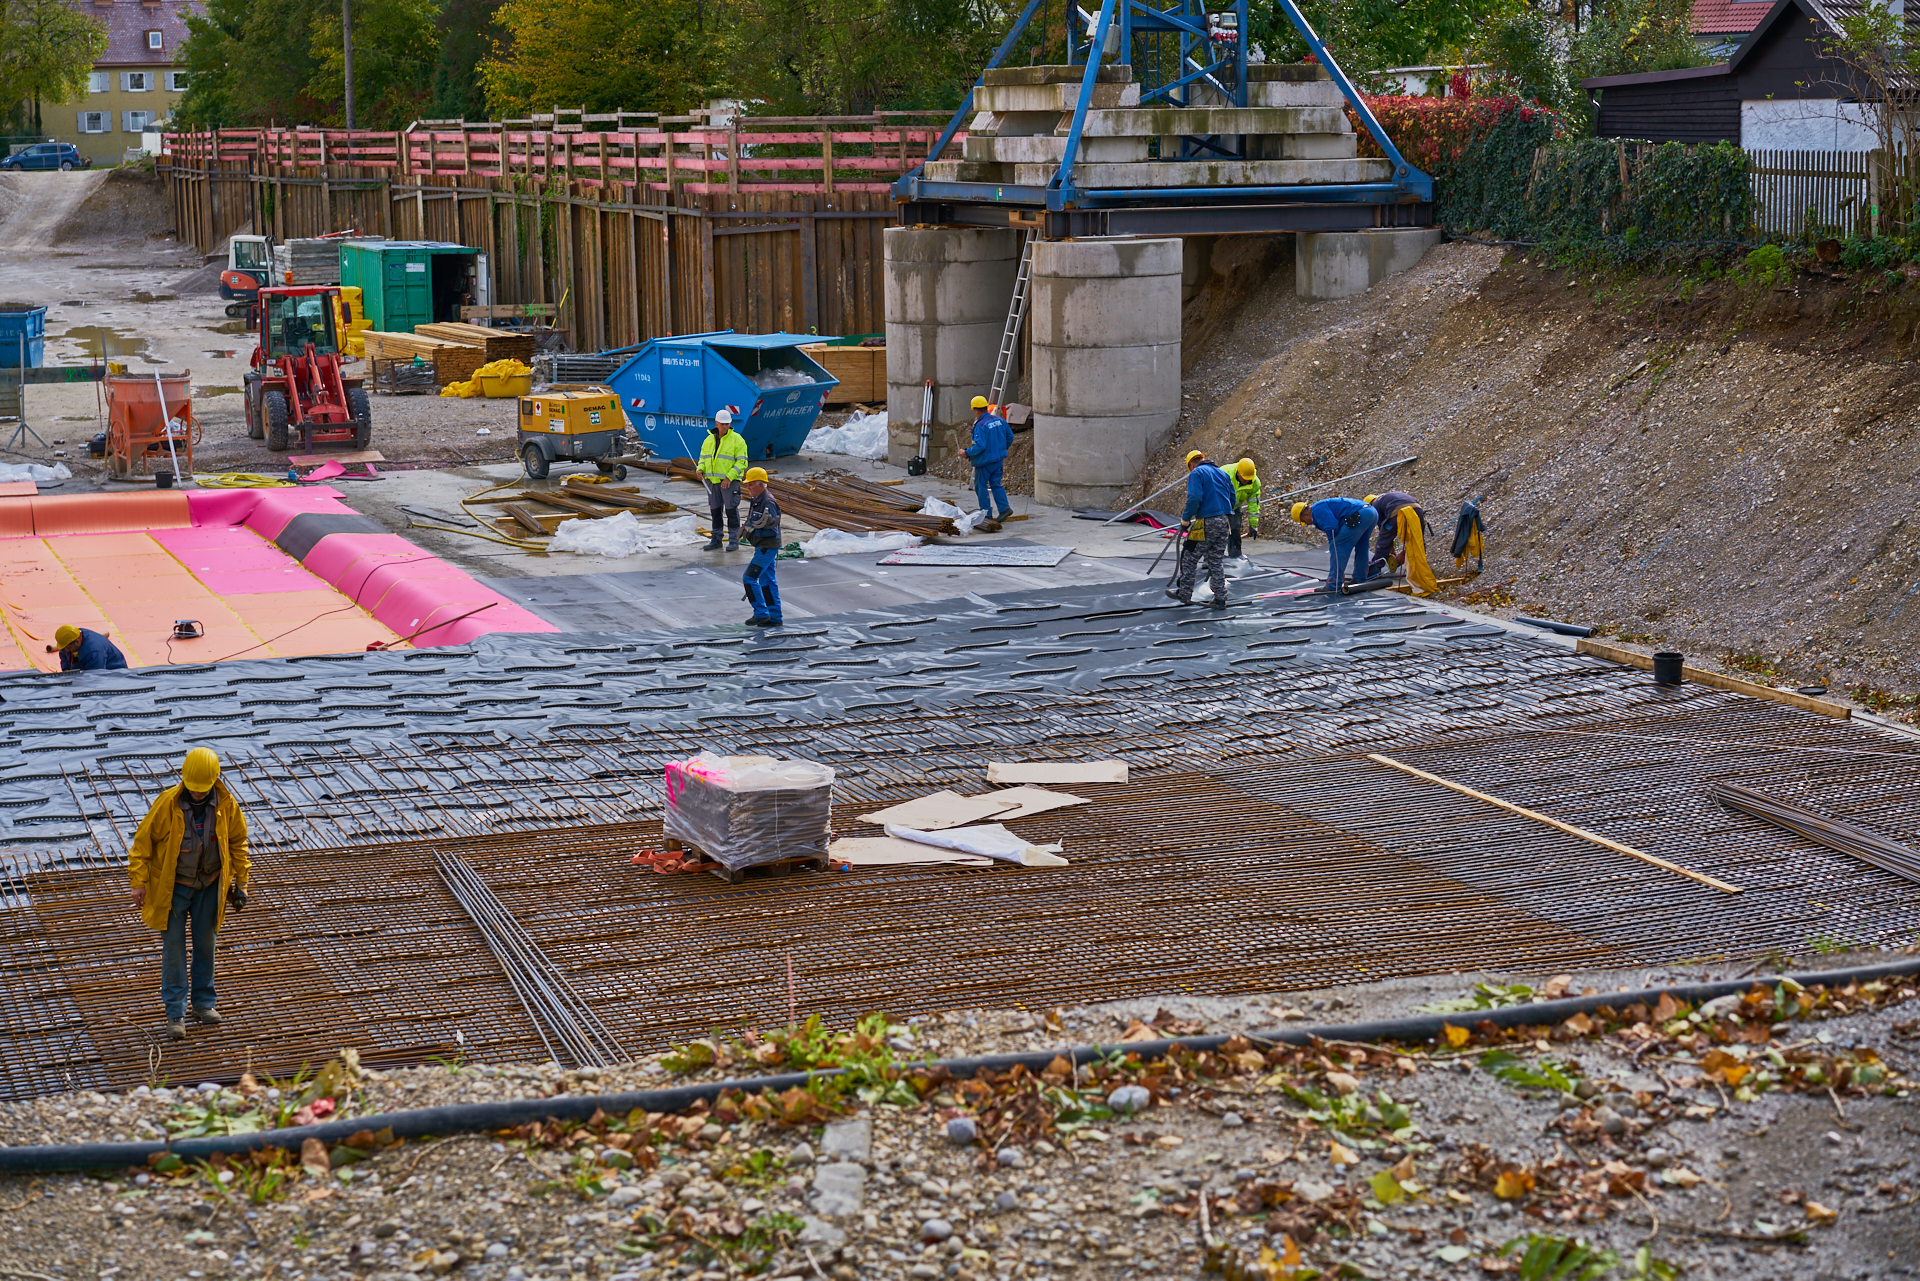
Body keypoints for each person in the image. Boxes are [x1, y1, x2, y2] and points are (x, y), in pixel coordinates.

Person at [128, 747, 251, 1041]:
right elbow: (142, 843)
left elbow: (238, 844)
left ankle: (204, 1005)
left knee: (206, 945)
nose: (197, 795)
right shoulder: (167, 803)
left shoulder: (227, 805)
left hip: (210, 885)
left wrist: (242, 884)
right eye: (193, 790)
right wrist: (138, 882)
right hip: (174, 888)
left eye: (202, 790)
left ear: (214, 782)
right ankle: (175, 1014)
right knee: (174, 951)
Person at [1170, 449, 1235, 609]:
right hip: (1224, 521)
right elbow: (1232, 497)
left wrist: (1185, 519)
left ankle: (1184, 593)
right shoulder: (1222, 474)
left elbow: (1194, 498)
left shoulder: (1197, 473)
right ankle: (1220, 597)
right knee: (1215, 560)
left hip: (1207, 521)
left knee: (1190, 555)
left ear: (1191, 464)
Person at [1291, 496, 1380, 594]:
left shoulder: (1317, 510)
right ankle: (1360, 579)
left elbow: (1332, 529)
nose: (1306, 524)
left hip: (1359, 515)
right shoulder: (1321, 506)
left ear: (1306, 514)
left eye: (1304, 521)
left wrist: (1333, 545)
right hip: (1371, 512)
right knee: (1362, 546)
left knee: (1337, 547)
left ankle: (1333, 584)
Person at [1366, 491, 1439, 593]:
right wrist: (1394, 555)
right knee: (1417, 542)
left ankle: (1375, 569)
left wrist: (1390, 553)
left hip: (1398, 511)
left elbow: (1386, 535)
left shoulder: (1376, 506)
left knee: (1383, 540)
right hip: (1417, 510)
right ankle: (1420, 568)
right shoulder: (1388, 497)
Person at [697, 410, 750, 551]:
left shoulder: (737, 440)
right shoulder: (708, 440)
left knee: (731, 511)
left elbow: (742, 462)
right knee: (715, 511)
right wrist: (700, 469)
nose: (725, 426)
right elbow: (703, 458)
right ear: (716, 424)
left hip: (729, 482)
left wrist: (729, 477)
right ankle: (716, 539)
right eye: (723, 424)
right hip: (712, 481)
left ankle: (733, 540)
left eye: (727, 424)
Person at [740, 467, 784, 627]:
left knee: (749, 578)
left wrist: (753, 530)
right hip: (763, 546)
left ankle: (761, 613)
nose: (747, 487)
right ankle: (775, 617)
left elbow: (772, 530)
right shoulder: (757, 499)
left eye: (750, 484)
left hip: (766, 547)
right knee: (767, 580)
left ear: (760, 484)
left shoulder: (767, 502)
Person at [964, 395, 1014, 526]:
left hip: (984, 462)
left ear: (976, 410)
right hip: (998, 459)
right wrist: (1002, 449)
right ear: (985, 407)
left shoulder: (980, 425)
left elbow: (980, 446)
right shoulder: (1000, 420)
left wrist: (966, 453)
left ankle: (986, 514)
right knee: (996, 484)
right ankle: (1004, 508)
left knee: (980, 486)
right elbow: (1010, 436)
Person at [48, 624, 127, 672]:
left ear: (77, 642)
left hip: (113, 673)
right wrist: (66, 670)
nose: (67, 650)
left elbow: (95, 677)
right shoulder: (72, 636)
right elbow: (64, 653)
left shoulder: (93, 651)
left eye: (68, 648)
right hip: (90, 662)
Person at [1228, 458, 1261, 559]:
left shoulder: (1254, 482)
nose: (1247, 481)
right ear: (1238, 473)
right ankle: (1210, 559)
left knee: (1235, 530)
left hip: (1235, 507)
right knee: (1216, 532)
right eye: (1244, 478)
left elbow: (1253, 504)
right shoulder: (1225, 475)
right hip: (1217, 506)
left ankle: (1235, 556)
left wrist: (1253, 525)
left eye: (1249, 478)